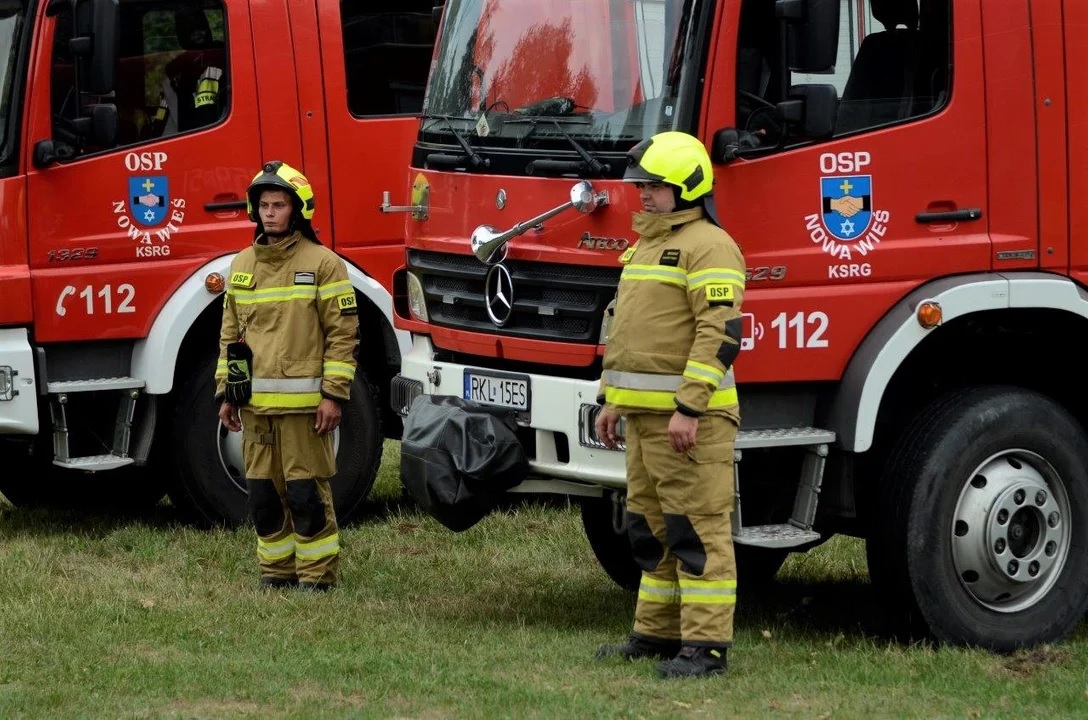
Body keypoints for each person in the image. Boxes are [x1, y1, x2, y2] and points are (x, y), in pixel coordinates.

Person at [594, 131, 746, 679]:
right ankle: (654, 634)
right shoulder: (646, 245)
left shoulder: (710, 246)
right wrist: (611, 399)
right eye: (642, 186)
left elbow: (720, 333)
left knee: (697, 531)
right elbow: (627, 331)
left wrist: (690, 407)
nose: (644, 195)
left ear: (686, 188)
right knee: (651, 530)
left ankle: (706, 649)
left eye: (655, 187)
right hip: (643, 421)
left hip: (689, 423)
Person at [216, 160, 360, 591]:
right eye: (264, 205)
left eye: (279, 205)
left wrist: (333, 395)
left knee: (305, 495)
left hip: (304, 411)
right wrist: (228, 394)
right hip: (255, 409)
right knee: (262, 497)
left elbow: (343, 334)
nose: (270, 213)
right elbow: (231, 335)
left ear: (297, 210)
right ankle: (276, 573)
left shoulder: (324, 264)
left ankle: (317, 577)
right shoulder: (243, 264)